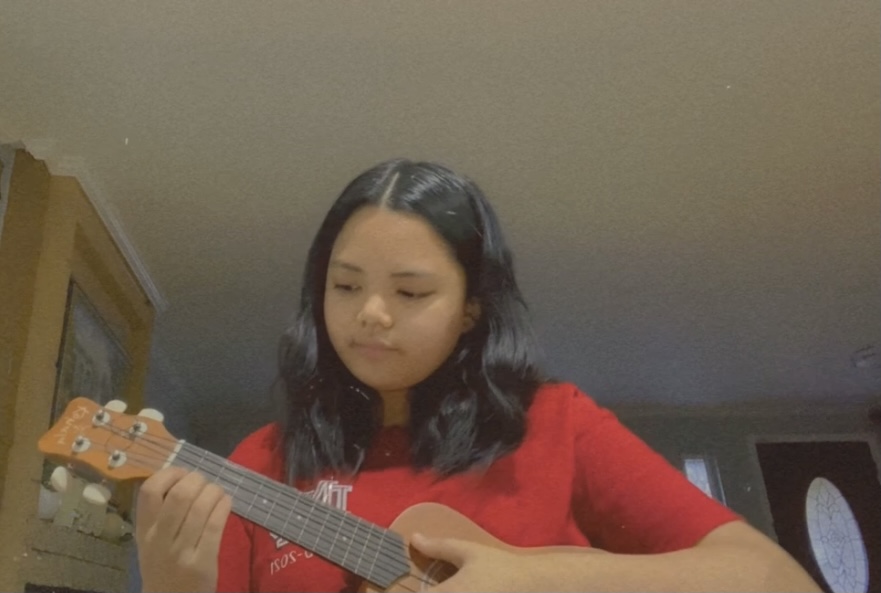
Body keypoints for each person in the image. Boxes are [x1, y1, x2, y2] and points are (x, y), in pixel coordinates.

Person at [135, 159, 820, 592]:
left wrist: (530, 575)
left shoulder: (559, 424)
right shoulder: (261, 463)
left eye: (409, 293)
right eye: (344, 286)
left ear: (469, 310)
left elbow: (773, 579)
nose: (370, 314)